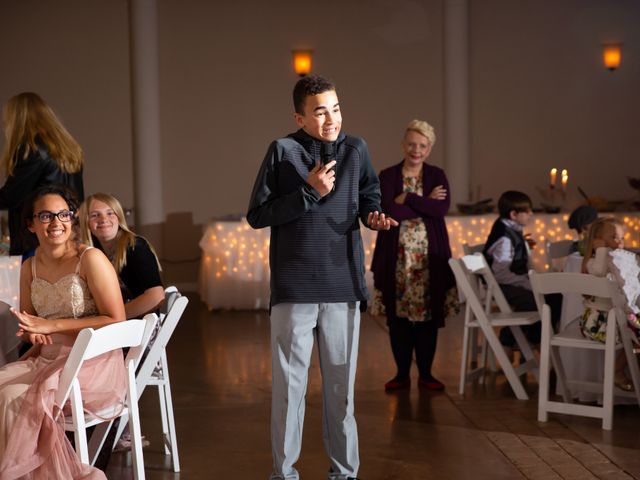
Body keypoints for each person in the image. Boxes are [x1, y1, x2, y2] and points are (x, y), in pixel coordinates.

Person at [247, 74, 397, 480]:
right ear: (300, 117)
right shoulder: (282, 151)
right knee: (289, 390)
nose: (331, 118)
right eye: (320, 111)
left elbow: (369, 195)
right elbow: (257, 215)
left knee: (341, 393)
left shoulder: (356, 148)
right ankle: (284, 474)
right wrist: (309, 191)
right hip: (294, 289)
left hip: (343, 285)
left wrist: (373, 215)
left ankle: (345, 474)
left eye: (336, 108)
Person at [0, 185, 126, 479]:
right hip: (47, 359)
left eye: (63, 214)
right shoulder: (28, 267)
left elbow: (116, 318)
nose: (56, 223)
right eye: (45, 216)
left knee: (13, 398)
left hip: (91, 364)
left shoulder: (90, 258)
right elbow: (32, 323)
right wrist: (34, 333)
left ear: (72, 219)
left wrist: (52, 326)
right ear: (31, 224)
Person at [371, 119, 458, 392]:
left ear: (429, 148)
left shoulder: (436, 175)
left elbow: (441, 209)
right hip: (395, 260)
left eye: (421, 145)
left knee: (427, 321)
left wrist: (407, 198)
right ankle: (401, 375)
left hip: (428, 261)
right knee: (398, 321)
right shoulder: (387, 176)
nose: (415, 150)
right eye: (411, 144)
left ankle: (427, 375)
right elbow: (388, 211)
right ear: (402, 144)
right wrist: (424, 202)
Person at [0, 92, 84, 256]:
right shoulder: (69, 149)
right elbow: (77, 198)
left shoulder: (31, 149)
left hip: (38, 238)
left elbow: (10, 197)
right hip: (67, 234)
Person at [483, 191, 561, 347]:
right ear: (513, 214)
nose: (531, 214)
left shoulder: (511, 228)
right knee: (536, 300)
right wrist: (528, 282)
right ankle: (512, 337)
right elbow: (501, 274)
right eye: (527, 211)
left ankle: (534, 338)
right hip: (502, 285)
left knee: (555, 296)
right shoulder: (505, 238)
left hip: (513, 280)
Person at [79, 192, 164, 319]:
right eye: (95, 215)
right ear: (86, 223)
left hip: (139, 327)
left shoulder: (135, 246)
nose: (103, 219)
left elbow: (156, 296)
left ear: (119, 217)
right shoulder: (93, 251)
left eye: (110, 213)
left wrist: (114, 318)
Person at [580, 216, 640, 391]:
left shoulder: (617, 261)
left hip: (617, 320)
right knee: (636, 333)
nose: (620, 242)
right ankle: (616, 370)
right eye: (614, 237)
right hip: (598, 323)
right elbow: (599, 271)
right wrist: (600, 251)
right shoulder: (593, 262)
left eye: (622, 238)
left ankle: (620, 370)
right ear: (598, 241)